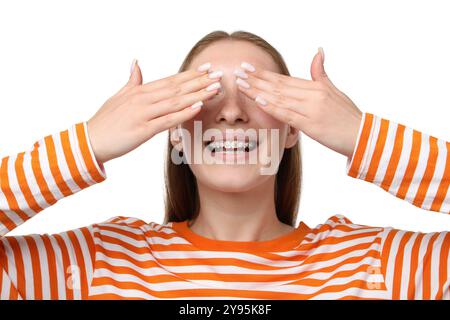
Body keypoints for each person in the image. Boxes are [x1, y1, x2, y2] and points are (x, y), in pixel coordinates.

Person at [0, 30, 448, 300]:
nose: (230, 113)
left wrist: (361, 136)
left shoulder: (376, 265)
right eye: (206, 93)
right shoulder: (100, 263)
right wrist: (89, 143)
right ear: (174, 127)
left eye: (257, 92)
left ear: (294, 127)